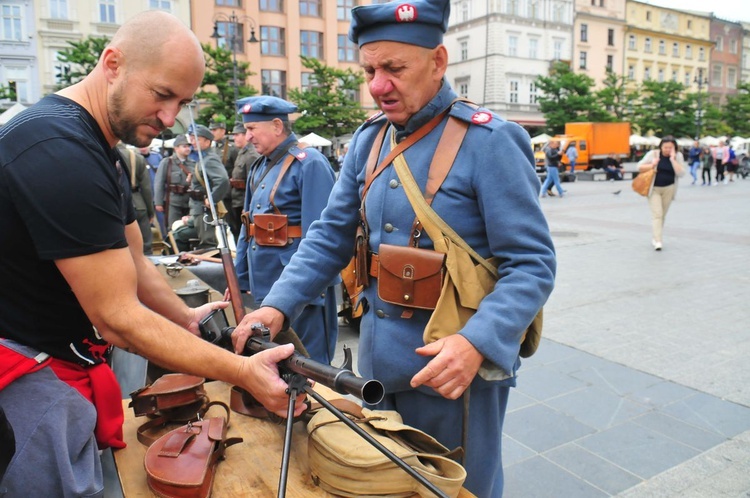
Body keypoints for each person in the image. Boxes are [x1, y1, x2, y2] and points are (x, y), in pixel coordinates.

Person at [229, 2, 555, 495]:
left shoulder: (489, 140)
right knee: (387, 484)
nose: (378, 85)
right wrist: (276, 305)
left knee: (458, 489)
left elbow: (531, 264)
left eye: (394, 69)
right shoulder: (369, 141)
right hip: (378, 370)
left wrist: (477, 343)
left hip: (453, 372)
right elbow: (329, 235)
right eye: (370, 70)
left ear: (438, 62)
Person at [0, 11, 306, 497]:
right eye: (162, 95)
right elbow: (118, 318)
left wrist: (183, 320)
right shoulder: (58, 149)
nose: (169, 119)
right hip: (27, 377)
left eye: (182, 102)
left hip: (58, 365)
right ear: (112, 63)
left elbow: (135, 261)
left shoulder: (99, 146)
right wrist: (241, 370)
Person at [234, 96, 339, 364]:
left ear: (277, 125)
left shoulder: (308, 163)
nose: (247, 137)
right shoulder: (260, 166)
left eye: (252, 129)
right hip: (266, 286)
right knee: (277, 366)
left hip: (302, 290)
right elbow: (248, 227)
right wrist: (239, 279)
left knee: (310, 366)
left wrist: (312, 289)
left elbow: (324, 237)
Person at [637, 136, 685, 251]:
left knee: (662, 215)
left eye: (671, 147)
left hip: (669, 188)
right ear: (661, 147)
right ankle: (658, 240)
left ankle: (655, 236)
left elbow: (681, 173)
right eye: (665, 147)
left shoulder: (678, 156)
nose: (668, 150)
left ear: (675, 148)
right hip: (653, 188)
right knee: (657, 214)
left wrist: (673, 160)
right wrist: (652, 164)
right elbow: (639, 167)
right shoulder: (653, 154)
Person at [187, 124, 230, 249]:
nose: (193, 142)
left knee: (208, 244)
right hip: (198, 207)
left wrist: (212, 199)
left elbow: (222, 180)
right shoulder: (202, 158)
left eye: (197, 139)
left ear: (207, 141)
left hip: (204, 209)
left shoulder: (209, 159)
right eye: (192, 139)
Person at [118, 143, 155, 254]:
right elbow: (146, 188)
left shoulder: (104, 155)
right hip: (138, 203)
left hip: (116, 204)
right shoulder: (136, 157)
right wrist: (150, 211)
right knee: (146, 246)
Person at [154, 134, 194, 232]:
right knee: (173, 228)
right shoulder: (167, 162)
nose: (187, 148)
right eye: (184, 146)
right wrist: (158, 202)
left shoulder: (193, 163)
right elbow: (159, 182)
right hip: (173, 202)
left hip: (189, 201)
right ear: (176, 148)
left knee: (188, 228)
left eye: (188, 146)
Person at [211, 121, 241, 241]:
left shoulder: (232, 149)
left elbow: (237, 170)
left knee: (233, 225)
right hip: (217, 192)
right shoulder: (213, 149)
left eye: (215, 130)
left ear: (222, 131)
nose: (212, 132)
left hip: (229, 194)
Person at [229, 122, 260, 239]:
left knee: (245, 235)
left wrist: (248, 206)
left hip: (243, 202)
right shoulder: (242, 152)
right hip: (237, 200)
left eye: (237, 135)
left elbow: (253, 183)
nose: (234, 138)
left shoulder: (251, 155)